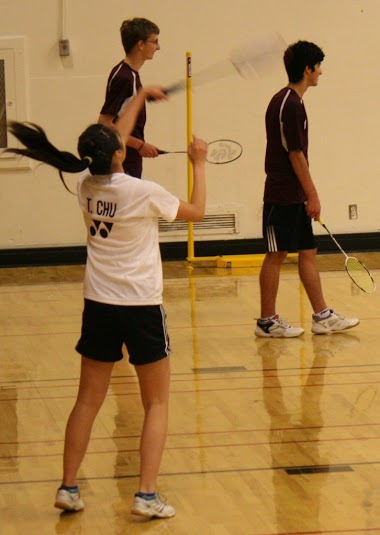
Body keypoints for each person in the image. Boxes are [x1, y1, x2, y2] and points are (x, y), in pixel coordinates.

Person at [6, 86, 208, 519]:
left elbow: (114, 133)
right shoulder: (142, 191)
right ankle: (146, 495)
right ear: (119, 154)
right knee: (156, 402)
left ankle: (68, 487)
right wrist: (200, 164)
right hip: (140, 307)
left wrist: (139, 98)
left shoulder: (83, 183)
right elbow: (197, 211)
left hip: (98, 304)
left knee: (87, 400)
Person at [255, 40, 359, 338]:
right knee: (276, 254)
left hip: (294, 193)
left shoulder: (291, 101)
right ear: (307, 69)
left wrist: (305, 193)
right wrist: (313, 194)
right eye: (318, 67)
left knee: (308, 251)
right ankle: (266, 321)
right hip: (281, 194)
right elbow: (295, 154)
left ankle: (322, 315)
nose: (321, 72)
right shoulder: (288, 104)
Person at [98, 17, 161, 178]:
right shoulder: (124, 78)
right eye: (154, 42)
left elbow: (124, 109)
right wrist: (139, 145)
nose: (158, 47)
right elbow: (105, 123)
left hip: (130, 156)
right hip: (123, 160)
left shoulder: (129, 73)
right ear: (140, 44)